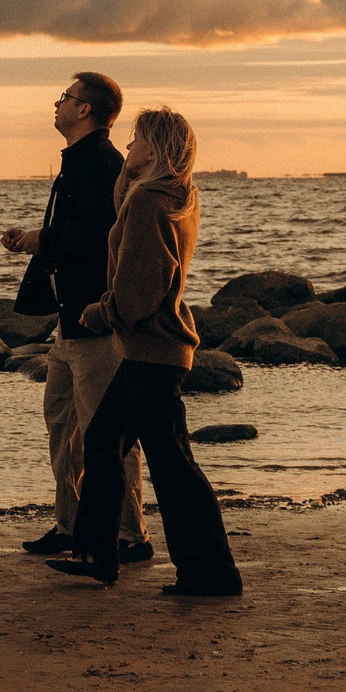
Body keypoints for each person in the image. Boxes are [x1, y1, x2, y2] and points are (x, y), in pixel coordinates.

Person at [48, 107, 242, 597]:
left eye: (135, 142)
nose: (127, 149)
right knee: (105, 443)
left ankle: (211, 573)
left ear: (153, 151)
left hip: (153, 350)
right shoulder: (172, 195)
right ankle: (99, 555)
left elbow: (138, 291)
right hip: (151, 350)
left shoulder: (152, 202)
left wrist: (100, 312)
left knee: (173, 466)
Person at [0, 71, 149, 565]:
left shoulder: (103, 164)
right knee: (62, 427)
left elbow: (100, 237)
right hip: (69, 322)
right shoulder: (78, 163)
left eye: (64, 97)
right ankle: (70, 523)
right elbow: (75, 231)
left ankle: (130, 535)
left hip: (93, 321)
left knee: (106, 434)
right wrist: (36, 238)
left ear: (85, 110)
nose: (57, 104)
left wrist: (42, 241)